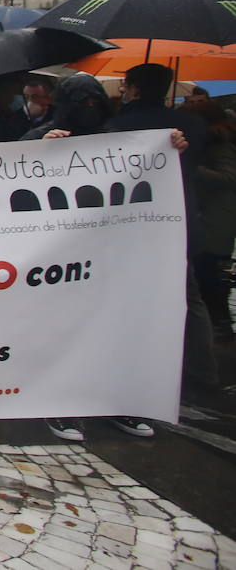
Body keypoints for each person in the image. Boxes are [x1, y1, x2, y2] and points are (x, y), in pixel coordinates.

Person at [23, 71, 179, 441]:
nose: (88, 110)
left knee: (112, 330)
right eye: (81, 104)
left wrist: (170, 148)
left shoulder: (121, 140)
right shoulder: (39, 137)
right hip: (57, 256)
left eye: (95, 103)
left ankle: (118, 402)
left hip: (110, 254)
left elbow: (155, 176)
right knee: (62, 332)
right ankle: (60, 405)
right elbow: (3, 178)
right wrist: (37, 148)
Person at [105, 63, 217, 399]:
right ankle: (203, 370)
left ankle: (141, 367)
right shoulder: (193, 125)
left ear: (134, 87)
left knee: (133, 299)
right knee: (189, 297)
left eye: (126, 85)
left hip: (135, 226)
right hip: (181, 220)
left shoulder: (118, 126)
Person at [178, 97, 236, 337]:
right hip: (207, 217)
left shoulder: (220, 143)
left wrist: (192, 166)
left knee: (208, 275)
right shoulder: (206, 140)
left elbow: (228, 177)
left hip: (216, 220)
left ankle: (220, 325)